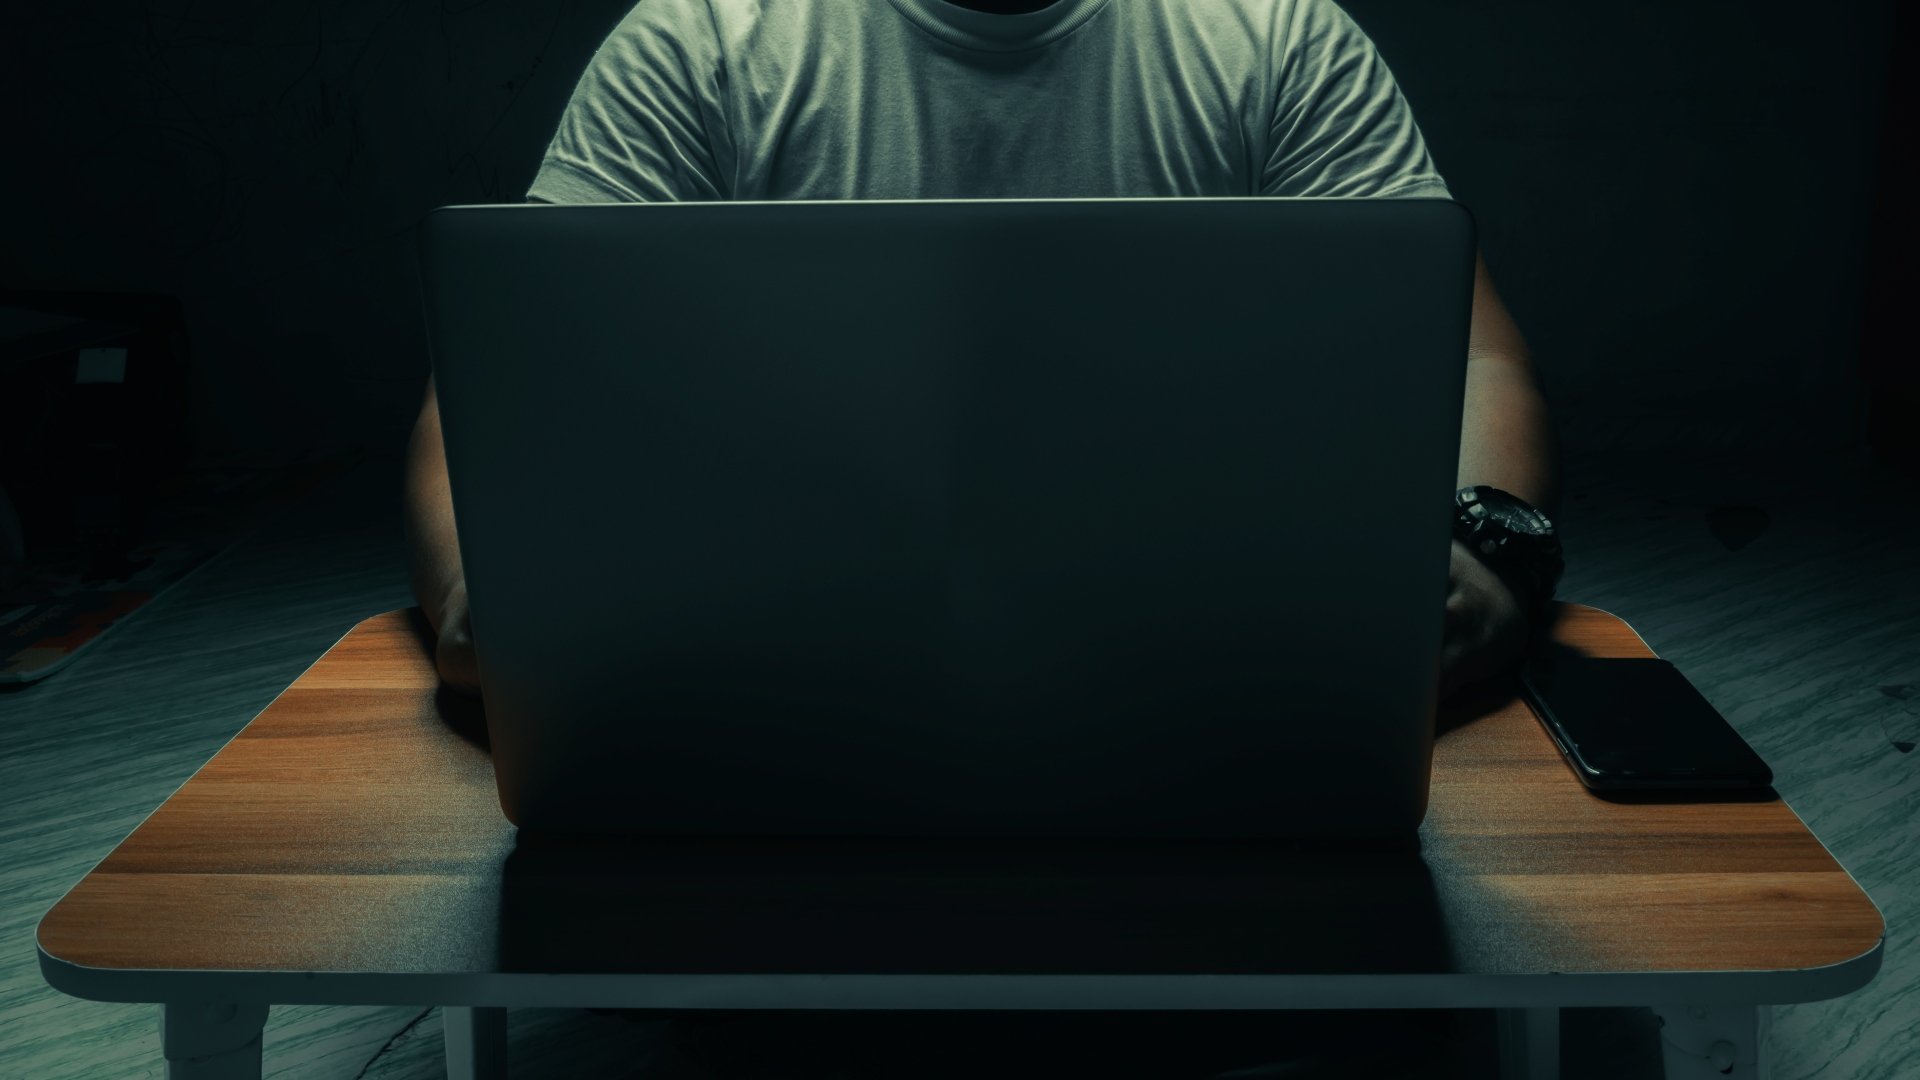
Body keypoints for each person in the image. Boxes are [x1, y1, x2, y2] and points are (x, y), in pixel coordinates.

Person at [404, 0, 1556, 1074]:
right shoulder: (702, 41)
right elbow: (501, 370)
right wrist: (477, 581)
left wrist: (1490, 552)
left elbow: (1470, 351)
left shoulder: (1276, 39)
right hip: (765, 800)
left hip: (1206, 788)